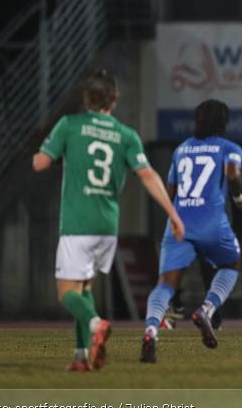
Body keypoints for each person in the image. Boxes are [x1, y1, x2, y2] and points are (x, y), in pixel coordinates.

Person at [32, 70, 184, 371]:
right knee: (85, 288)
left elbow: (41, 163)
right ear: (113, 100)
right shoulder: (126, 135)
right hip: (107, 227)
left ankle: (96, 324)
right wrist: (173, 214)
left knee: (67, 293)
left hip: (77, 223)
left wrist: (46, 151)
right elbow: (148, 176)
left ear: (86, 99)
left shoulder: (70, 125)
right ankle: (81, 356)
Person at [140, 99, 242, 363]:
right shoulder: (229, 147)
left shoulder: (181, 150)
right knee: (231, 264)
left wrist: (173, 218)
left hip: (179, 223)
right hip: (211, 222)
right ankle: (206, 310)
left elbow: (171, 192)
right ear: (223, 123)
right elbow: (232, 174)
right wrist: (239, 197)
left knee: (165, 284)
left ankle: (151, 330)